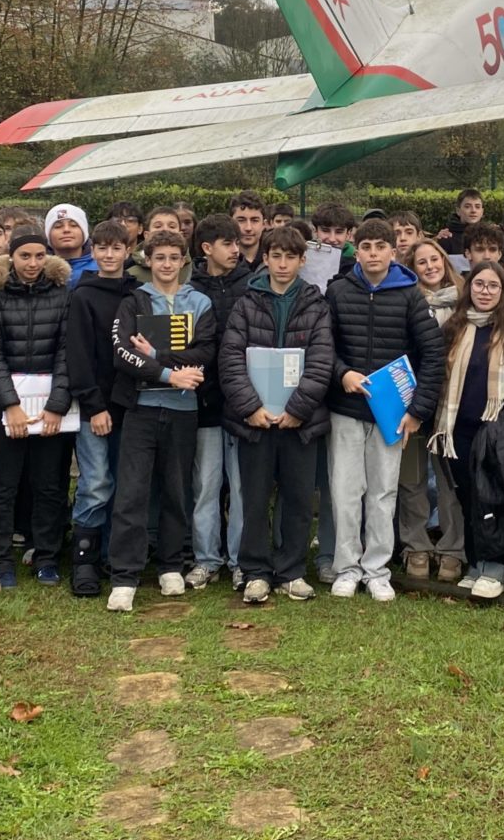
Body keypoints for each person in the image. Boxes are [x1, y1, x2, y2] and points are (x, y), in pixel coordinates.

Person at [326, 218, 446, 601]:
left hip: (392, 412)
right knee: (345, 491)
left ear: (394, 252)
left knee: (382, 492)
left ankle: (376, 570)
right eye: (366, 247)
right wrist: (341, 373)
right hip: (346, 407)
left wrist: (418, 410)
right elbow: (322, 346)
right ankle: (347, 567)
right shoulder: (337, 292)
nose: (373, 254)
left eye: (381, 247)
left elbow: (432, 355)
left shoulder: (410, 294)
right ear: (355, 250)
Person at [103, 230, 219, 611]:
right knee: (132, 492)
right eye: (160, 257)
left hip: (184, 411)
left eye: (174, 257)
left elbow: (204, 353)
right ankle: (125, 575)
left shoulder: (199, 302)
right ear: (147, 261)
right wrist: (171, 374)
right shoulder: (133, 301)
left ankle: (171, 564)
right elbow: (122, 355)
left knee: (176, 489)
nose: (167, 264)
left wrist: (156, 353)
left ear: (184, 261)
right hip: (140, 410)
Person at [220, 227, 336, 604]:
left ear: (303, 261)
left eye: (290, 257)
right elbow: (231, 359)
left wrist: (297, 409)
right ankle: (255, 571)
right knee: (254, 498)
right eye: (276, 256)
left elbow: (321, 362)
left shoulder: (316, 304)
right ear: (265, 258)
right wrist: (251, 408)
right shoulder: (246, 302)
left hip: (300, 423)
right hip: (254, 422)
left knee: (299, 499)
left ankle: (291, 571)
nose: (282, 264)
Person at [433, 263, 504, 599]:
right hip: (457, 432)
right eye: (479, 284)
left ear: (503, 291)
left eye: (493, 286)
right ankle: (477, 561)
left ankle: (497, 566)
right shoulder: (453, 327)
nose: (484, 291)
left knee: (494, 499)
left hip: (496, 433)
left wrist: (503, 424)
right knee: (468, 498)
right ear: (469, 288)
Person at [0, 229, 74, 591]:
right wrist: (11, 406)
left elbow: (67, 351)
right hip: (3, 409)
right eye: (25, 256)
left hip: (50, 409)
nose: (32, 264)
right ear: (11, 258)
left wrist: (56, 405)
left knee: (49, 485)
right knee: (4, 486)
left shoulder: (62, 295)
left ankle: (46, 555)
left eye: (38, 256)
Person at [66, 218, 139, 594]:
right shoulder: (83, 295)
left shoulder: (138, 294)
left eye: (116, 248)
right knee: (95, 483)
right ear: (92, 251)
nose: (109, 255)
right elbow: (78, 357)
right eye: (101, 248)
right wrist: (94, 406)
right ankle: (85, 561)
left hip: (132, 404)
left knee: (124, 484)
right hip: (96, 407)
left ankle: (116, 555)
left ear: (129, 251)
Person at [186, 214, 249, 590]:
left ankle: (241, 560)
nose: (236, 250)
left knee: (241, 488)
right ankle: (206, 559)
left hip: (243, 403)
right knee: (206, 485)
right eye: (228, 243)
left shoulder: (253, 284)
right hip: (204, 403)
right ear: (208, 248)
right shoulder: (189, 289)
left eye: (237, 243)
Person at [397, 240, 465, 581]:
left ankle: (453, 549)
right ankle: (416, 545)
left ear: (444, 261)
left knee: (450, 480)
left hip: (452, 405)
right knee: (412, 478)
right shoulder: (405, 302)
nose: (429, 266)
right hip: (412, 401)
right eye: (420, 262)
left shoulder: (466, 302)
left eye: (434, 259)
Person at [46, 202, 96, 283]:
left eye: (73, 225)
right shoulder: (37, 270)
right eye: (58, 226)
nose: (66, 230)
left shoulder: (102, 267)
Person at [436, 188, 484, 255]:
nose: (473, 210)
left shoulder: (489, 236)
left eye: (477, 207)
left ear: (482, 211)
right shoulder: (446, 238)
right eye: (467, 207)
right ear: (458, 211)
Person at [227, 191, 268, 267]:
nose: (248, 228)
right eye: (241, 220)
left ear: (264, 224)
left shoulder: (275, 259)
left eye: (254, 220)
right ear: (230, 223)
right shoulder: (220, 261)